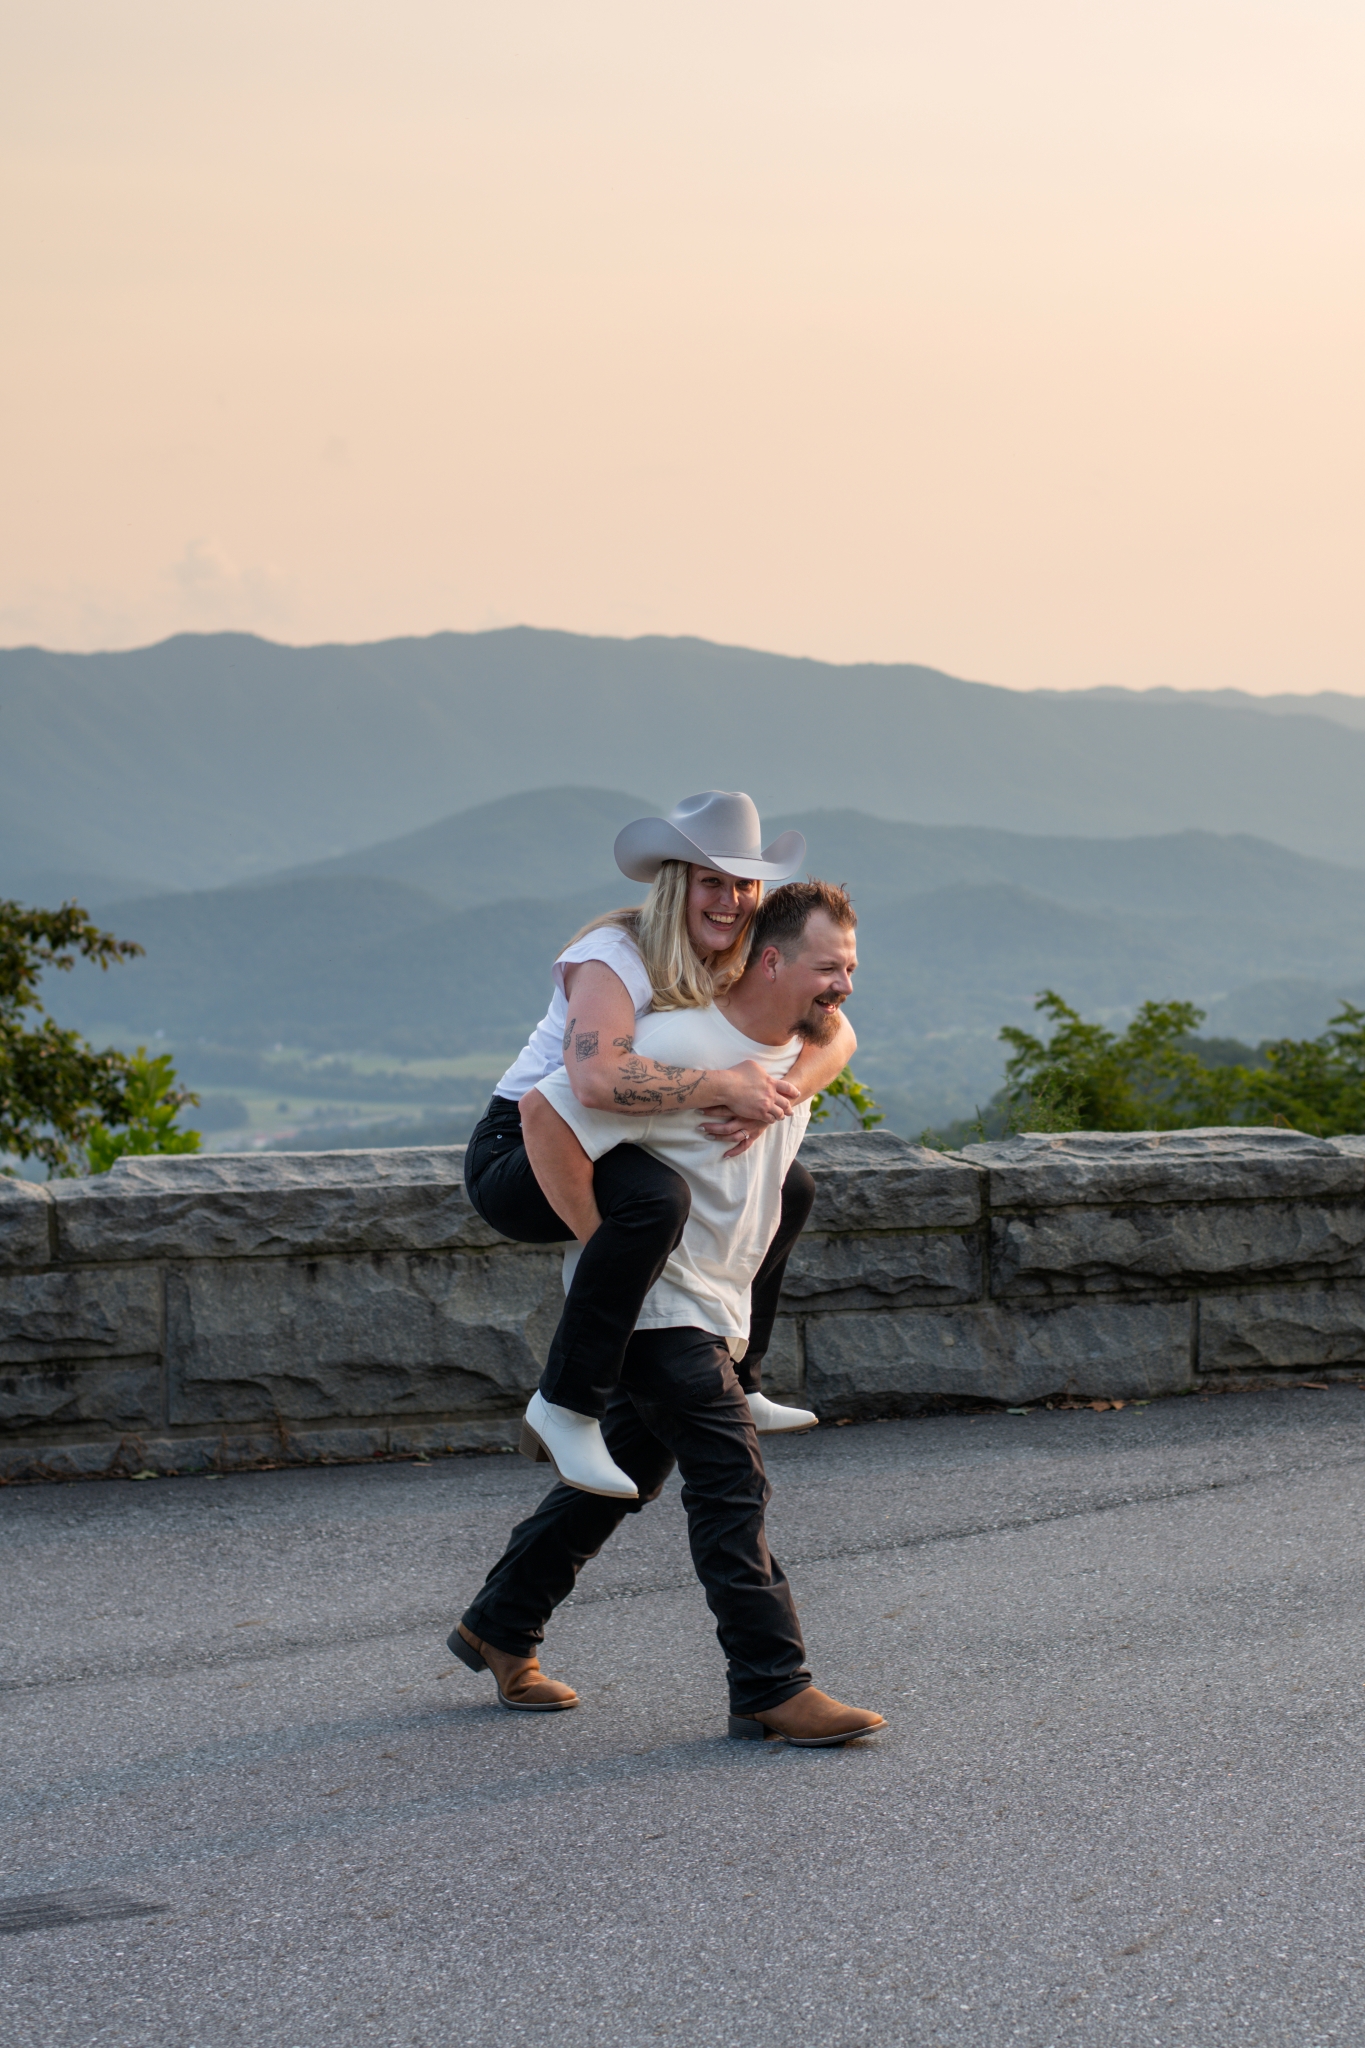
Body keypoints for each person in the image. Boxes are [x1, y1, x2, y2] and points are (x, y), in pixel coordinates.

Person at [451, 881, 887, 1747]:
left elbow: (826, 1058)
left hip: (708, 1306)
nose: (842, 987)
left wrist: (796, 1084)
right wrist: (599, 1248)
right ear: (770, 961)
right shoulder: (677, 1041)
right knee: (731, 1478)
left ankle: (499, 1625)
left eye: (850, 967)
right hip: (656, 1310)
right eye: (826, 968)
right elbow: (546, 1110)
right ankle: (771, 1684)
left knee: (627, 1473)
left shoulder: (788, 1052)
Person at [462, 792, 856, 1498]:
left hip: (614, 1139)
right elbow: (593, 1079)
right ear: (678, 882)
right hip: (523, 1151)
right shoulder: (613, 956)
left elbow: (839, 1034)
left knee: (788, 1186)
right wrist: (722, 1086)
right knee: (653, 1200)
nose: (730, 899)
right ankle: (566, 1405)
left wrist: (776, 1099)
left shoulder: (740, 954)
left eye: (742, 883)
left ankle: (742, 1376)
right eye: (712, 881)